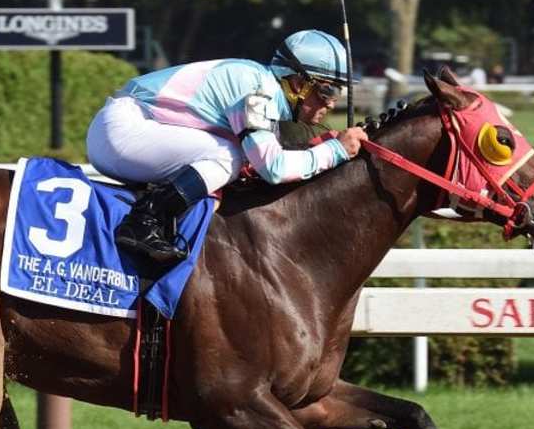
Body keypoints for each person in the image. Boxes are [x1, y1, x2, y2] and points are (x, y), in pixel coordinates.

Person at [86, 29, 367, 263]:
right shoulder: (256, 89)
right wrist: (336, 151)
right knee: (230, 154)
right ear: (297, 83)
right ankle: (144, 220)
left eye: (337, 92)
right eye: (327, 90)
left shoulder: (266, 92)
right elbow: (273, 167)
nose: (331, 102)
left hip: (132, 131)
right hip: (122, 131)